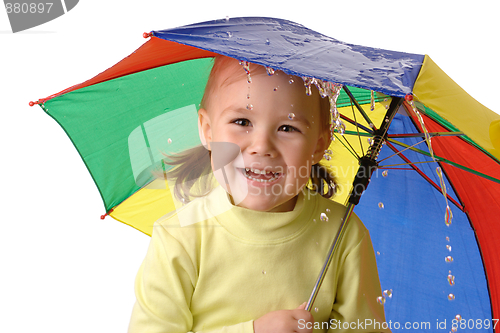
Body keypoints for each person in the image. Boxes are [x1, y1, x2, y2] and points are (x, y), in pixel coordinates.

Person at [128, 55, 390, 333]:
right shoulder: (180, 236)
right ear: (207, 131)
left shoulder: (343, 235)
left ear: (319, 145)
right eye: (242, 122)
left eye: (288, 128)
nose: (261, 146)